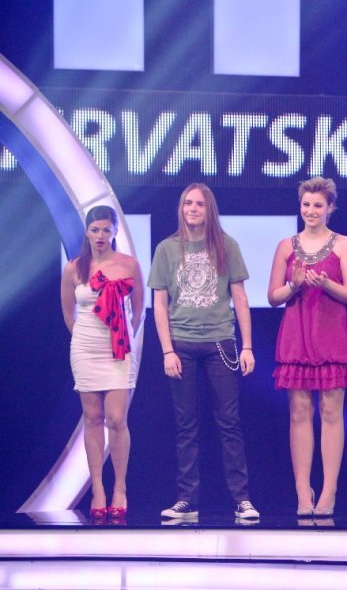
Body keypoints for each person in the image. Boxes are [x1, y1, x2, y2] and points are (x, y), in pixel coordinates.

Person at [149, 183, 260, 521]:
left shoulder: (227, 245)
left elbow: (240, 298)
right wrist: (167, 351)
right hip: (181, 345)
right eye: (188, 203)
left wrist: (247, 345)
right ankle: (187, 500)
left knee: (229, 423)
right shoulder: (167, 248)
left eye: (199, 204)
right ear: (181, 208)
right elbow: (159, 304)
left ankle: (242, 500)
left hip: (220, 344)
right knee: (186, 425)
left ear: (209, 209)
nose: (193, 209)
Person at [268, 177, 347, 517]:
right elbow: (273, 296)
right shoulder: (286, 246)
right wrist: (294, 284)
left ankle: (329, 490)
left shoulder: (343, 245)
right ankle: (302, 491)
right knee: (299, 411)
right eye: (306, 204)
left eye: (318, 205)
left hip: (332, 333)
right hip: (297, 334)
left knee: (332, 411)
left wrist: (327, 284)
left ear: (330, 208)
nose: (310, 210)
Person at [60, 205, 143, 519]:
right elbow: (68, 313)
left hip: (118, 349)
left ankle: (120, 486)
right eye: (95, 230)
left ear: (115, 231)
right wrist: (85, 339)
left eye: (106, 230)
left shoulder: (129, 264)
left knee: (117, 419)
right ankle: (98, 489)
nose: (100, 235)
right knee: (92, 418)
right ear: (87, 232)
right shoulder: (74, 268)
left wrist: (121, 336)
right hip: (85, 348)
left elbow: (138, 310)